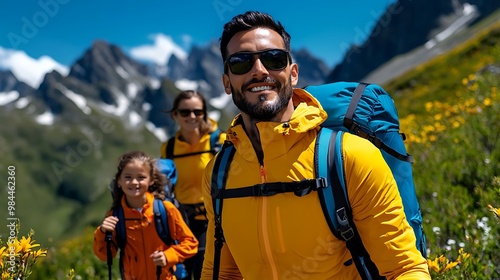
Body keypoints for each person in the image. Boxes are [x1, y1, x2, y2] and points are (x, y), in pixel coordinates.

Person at [200, 11, 431, 279]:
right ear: (227, 82)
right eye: (241, 63)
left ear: (293, 73)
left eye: (274, 59)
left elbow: (403, 268)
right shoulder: (218, 174)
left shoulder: (349, 156)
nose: (259, 71)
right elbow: (222, 272)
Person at [93, 151, 198, 280]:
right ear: (118, 181)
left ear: (151, 180)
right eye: (128, 177)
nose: (134, 182)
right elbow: (105, 255)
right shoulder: (115, 215)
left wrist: (168, 256)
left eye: (141, 177)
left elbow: (191, 243)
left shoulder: (165, 209)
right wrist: (102, 232)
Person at [160, 90, 226, 280]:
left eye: (198, 112)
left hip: (213, 220)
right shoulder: (169, 147)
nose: (192, 116)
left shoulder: (219, 141)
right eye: (185, 112)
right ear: (175, 115)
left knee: (203, 272)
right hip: (181, 221)